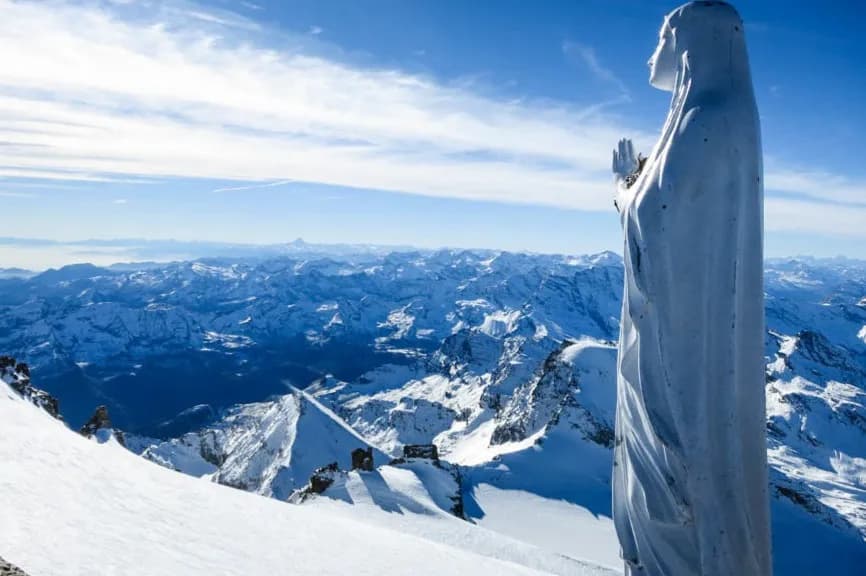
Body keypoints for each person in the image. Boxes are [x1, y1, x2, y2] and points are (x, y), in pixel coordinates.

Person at [610, 2, 772, 575]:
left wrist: (625, 187)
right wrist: (635, 186)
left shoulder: (709, 120)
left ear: (688, 39)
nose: (651, 55)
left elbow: (658, 220)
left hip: (678, 347)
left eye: (661, 38)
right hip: (676, 327)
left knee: (673, 490)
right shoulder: (712, 117)